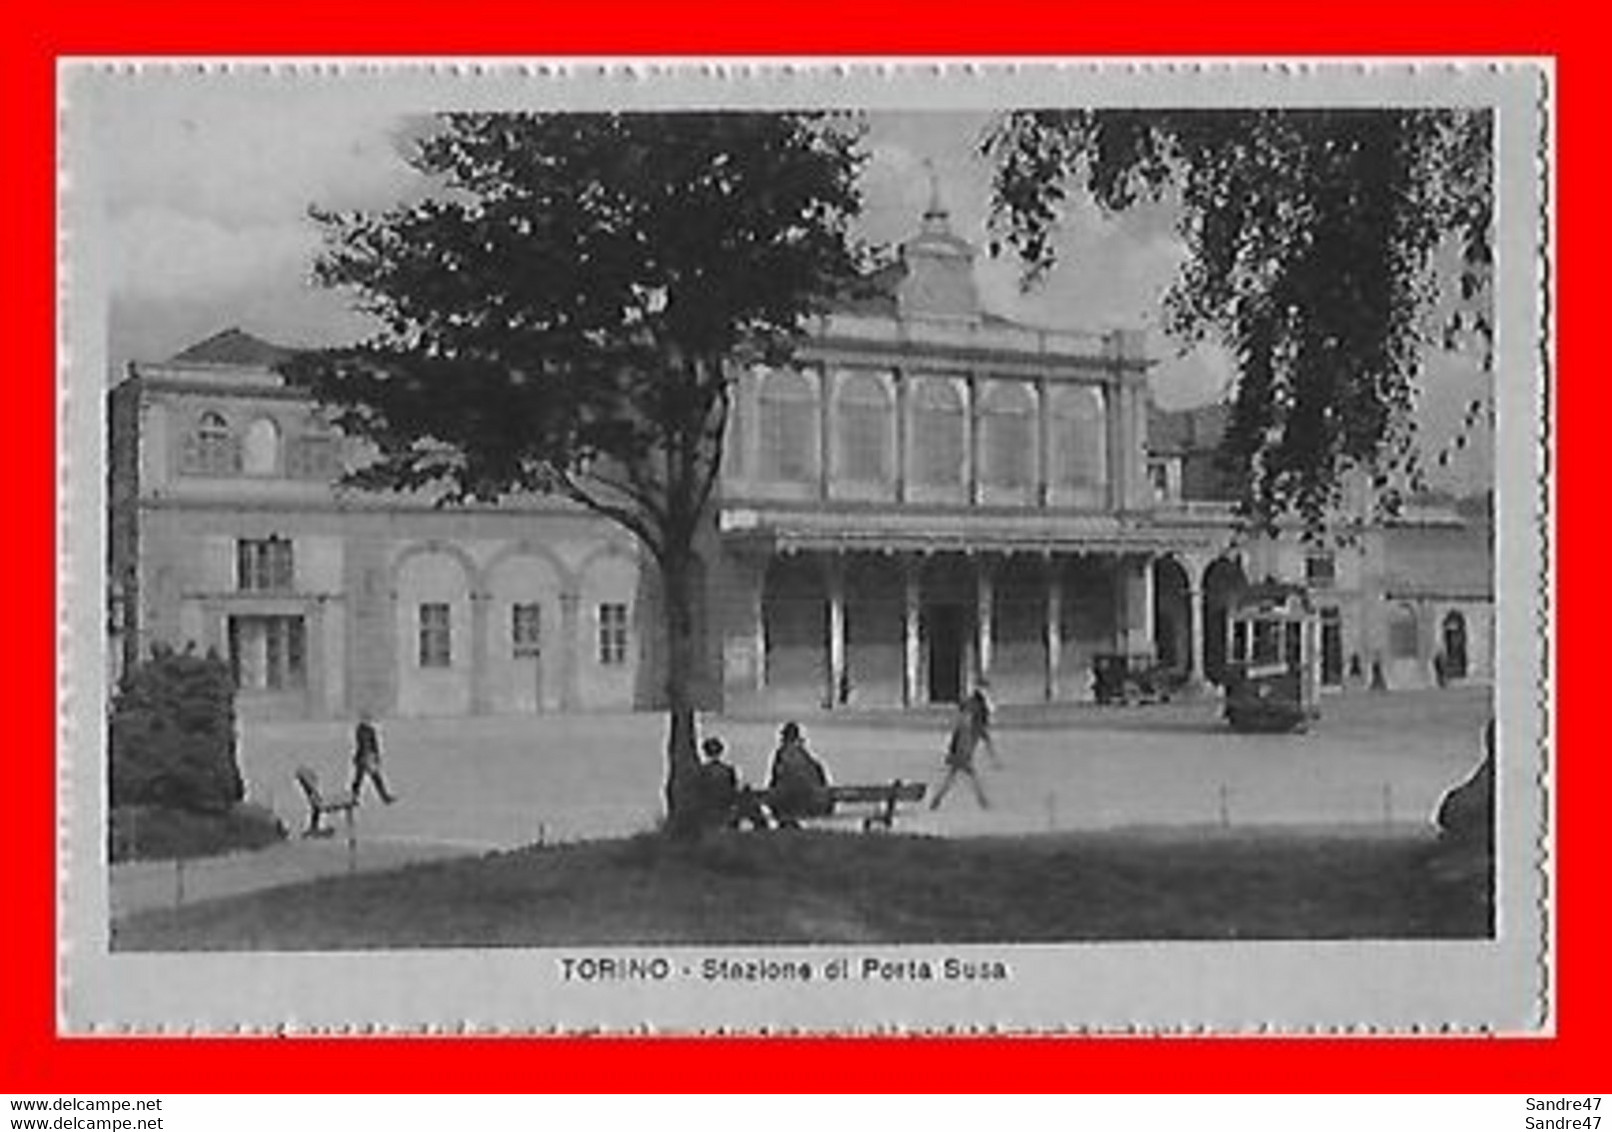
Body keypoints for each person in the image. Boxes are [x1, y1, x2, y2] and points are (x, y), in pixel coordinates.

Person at [766, 721, 833, 829]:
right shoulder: (806, 756)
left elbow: (774, 779)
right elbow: (820, 775)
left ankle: (786, 822)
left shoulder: (781, 754)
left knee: (775, 795)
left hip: (789, 799)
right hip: (807, 800)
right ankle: (789, 822)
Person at [696, 736, 770, 831]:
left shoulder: (701, 772)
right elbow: (733, 792)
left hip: (707, 813)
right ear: (721, 752)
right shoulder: (728, 771)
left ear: (705, 753)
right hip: (725, 813)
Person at [930, 699, 990, 811]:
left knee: (952, 778)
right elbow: (962, 739)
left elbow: (957, 738)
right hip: (961, 755)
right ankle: (982, 799)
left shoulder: (962, 721)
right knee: (970, 777)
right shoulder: (965, 722)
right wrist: (964, 754)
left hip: (959, 754)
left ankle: (937, 799)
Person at [350, 711, 397, 805]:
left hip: (368, 757)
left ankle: (385, 797)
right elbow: (360, 745)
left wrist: (376, 756)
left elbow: (374, 744)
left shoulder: (371, 730)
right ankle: (354, 798)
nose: (367, 721)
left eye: (368, 720)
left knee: (375, 778)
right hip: (363, 758)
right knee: (359, 779)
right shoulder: (360, 730)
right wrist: (359, 757)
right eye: (365, 719)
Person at [964, 682, 1004, 769]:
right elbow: (973, 712)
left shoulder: (979, 701)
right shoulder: (977, 702)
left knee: (976, 744)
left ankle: (995, 761)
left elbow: (984, 712)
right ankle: (995, 762)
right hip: (977, 726)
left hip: (978, 726)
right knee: (975, 744)